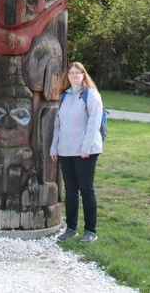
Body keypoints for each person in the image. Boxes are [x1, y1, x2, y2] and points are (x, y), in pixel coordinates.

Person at [50, 61, 103, 243]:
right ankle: (71, 228)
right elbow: (58, 124)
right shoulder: (65, 96)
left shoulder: (90, 94)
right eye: (71, 73)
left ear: (83, 75)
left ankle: (90, 230)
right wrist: (54, 147)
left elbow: (94, 122)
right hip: (66, 150)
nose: (74, 75)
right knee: (71, 190)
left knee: (86, 189)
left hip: (85, 151)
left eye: (77, 73)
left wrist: (86, 147)